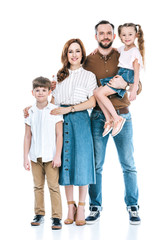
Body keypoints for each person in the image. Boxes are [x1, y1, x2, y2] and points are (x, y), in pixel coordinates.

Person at [83, 20, 142, 225]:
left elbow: (138, 85)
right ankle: (95, 206)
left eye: (109, 33)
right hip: (98, 118)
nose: (105, 36)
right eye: (102, 33)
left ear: (114, 36)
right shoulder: (88, 61)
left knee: (128, 164)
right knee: (96, 165)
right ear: (96, 36)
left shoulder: (123, 52)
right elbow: (76, 82)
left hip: (123, 114)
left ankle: (132, 206)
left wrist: (125, 84)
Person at [50, 38, 97, 226]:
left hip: (80, 119)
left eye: (77, 51)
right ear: (66, 54)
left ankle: (82, 207)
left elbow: (92, 102)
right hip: (61, 122)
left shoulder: (88, 76)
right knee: (66, 162)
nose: (74, 55)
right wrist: (33, 107)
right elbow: (52, 101)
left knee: (83, 162)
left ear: (82, 54)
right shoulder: (58, 76)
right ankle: (70, 206)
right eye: (71, 51)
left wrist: (69, 109)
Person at [23, 77, 63, 230]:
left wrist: (57, 155)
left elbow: (59, 135)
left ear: (49, 92)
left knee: (53, 186)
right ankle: (39, 214)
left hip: (51, 156)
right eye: (37, 90)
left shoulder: (54, 111)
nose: (40, 93)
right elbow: (27, 136)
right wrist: (25, 157)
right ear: (32, 93)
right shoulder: (30, 112)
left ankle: (57, 217)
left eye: (44, 90)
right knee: (38, 186)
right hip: (35, 156)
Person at [93, 23, 144, 137]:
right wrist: (97, 49)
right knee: (96, 92)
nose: (127, 37)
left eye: (130, 34)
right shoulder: (123, 49)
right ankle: (109, 120)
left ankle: (117, 119)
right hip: (120, 73)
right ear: (120, 37)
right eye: (124, 35)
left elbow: (137, 72)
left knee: (101, 93)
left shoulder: (135, 51)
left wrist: (134, 89)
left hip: (127, 75)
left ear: (136, 35)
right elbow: (113, 49)